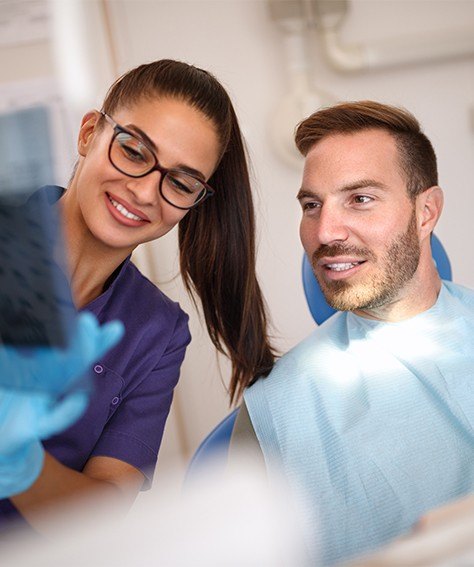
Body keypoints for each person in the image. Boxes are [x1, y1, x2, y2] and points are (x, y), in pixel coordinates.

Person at [0, 59, 274, 534]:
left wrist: (22, 465)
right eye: (133, 150)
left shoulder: (158, 331)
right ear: (89, 133)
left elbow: (102, 513)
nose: (146, 191)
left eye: (182, 183)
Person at [233, 101, 474, 566]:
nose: (325, 232)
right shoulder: (273, 414)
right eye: (311, 205)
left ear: (426, 212)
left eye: (359, 199)